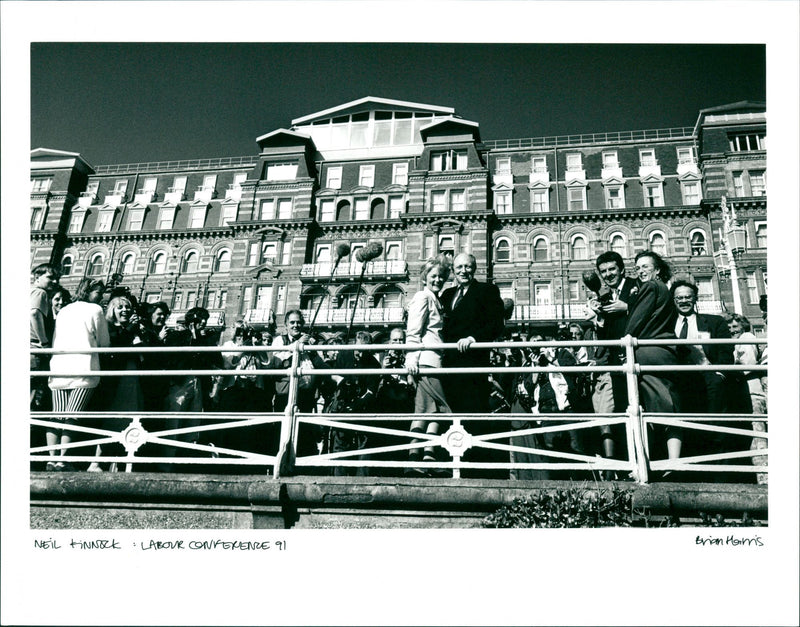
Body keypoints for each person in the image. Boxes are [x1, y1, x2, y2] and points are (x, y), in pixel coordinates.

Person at [440, 252, 505, 475]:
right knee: (451, 414)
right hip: (448, 364)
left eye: (467, 266)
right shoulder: (446, 294)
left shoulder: (487, 290)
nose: (463, 271)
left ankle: (475, 470)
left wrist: (473, 339)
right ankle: (453, 466)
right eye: (458, 267)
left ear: (474, 268)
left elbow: (497, 324)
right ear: (453, 270)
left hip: (472, 364)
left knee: (473, 414)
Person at [671, 280, 750, 463]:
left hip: (708, 377)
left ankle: (718, 465)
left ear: (695, 298)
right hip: (679, 378)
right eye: (679, 298)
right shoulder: (666, 324)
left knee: (714, 421)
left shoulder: (715, 322)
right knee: (685, 424)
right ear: (673, 300)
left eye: (688, 297)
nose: (683, 301)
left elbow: (725, 353)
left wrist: (718, 375)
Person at [625, 251, 682, 467]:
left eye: (645, 267)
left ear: (657, 269)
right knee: (671, 404)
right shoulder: (666, 291)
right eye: (638, 268)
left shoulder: (650, 287)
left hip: (648, 352)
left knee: (642, 409)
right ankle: (673, 462)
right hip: (667, 352)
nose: (640, 271)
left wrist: (625, 338)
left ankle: (644, 464)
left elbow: (636, 320)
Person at [46, 278, 109, 471]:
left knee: (57, 414)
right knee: (73, 414)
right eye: (98, 292)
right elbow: (104, 342)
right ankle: (63, 459)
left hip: (59, 366)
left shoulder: (64, 310)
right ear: (89, 291)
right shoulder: (95, 310)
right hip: (84, 367)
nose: (101, 296)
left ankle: (50, 458)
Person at [587, 251, 637, 465]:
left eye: (612, 270)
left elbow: (653, 310)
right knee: (623, 409)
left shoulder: (637, 286)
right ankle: (627, 462)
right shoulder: (605, 297)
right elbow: (607, 335)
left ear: (622, 269)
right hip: (617, 363)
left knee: (640, 408)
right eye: (604, 271)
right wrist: (599, 318)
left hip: (638, 357)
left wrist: (628, 307)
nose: (608, 275)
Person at [90, 294, 149, 471]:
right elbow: (116, 345)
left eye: (128, 307)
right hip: (114, 381)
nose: (125, 310)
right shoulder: (109, 328)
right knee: (109, 419)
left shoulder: (134, 328)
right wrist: (131, 328)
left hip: (131, 379)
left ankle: (121, 462)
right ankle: (96, 461)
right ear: (112, 310)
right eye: (120, 307)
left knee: (129, 420)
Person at [405, 259, 452, 475]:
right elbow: (413, 330)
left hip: (435, 359)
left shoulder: (436, 299)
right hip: (426, 360)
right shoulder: (422, 297)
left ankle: (421, 456)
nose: (438, 280)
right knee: (442, 410)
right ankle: (420, 455)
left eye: (441, 276)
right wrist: (411, 359)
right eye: (433, 275)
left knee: (426, 410)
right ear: (425, 276)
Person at [160, 307, 223, 468]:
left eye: (205, 319)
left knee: (192, 424)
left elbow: (213, 359)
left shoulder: (205, 340)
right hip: (180, 383)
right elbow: (177, 357)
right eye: (201, 318)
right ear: (192, 320)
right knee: (175, 421)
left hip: (197, 382)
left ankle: (184, 462)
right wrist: (192, 337)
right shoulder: (177, 336)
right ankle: (167, 464)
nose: (204, 322)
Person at [271, 310, 329, 459]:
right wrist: (297, 345)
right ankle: (281, 461)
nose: (296, 325)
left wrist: (314, 349)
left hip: (306, 395)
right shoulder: (280, 340)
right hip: (286, 393)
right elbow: (277, 363)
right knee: (283, 429)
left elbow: (320, 366)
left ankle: (302, 463)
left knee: (304, 430)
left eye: (298, 322)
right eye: (292, 322)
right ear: (286, 325)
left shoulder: (308, 341)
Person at [325, 330, 382, 476]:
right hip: (343, 401)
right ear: (354, 344)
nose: (361, 355)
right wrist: (341, 381)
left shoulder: (374, 364)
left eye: (365, 351)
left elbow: (371, 391)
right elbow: (334, 374)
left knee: (364, 444)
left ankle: (362, 480)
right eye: (358, 350)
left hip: (363, 405)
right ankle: (339, 478)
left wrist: (358, 404)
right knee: (340, 442)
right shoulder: (344, 354)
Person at [728, 313, 767, 484]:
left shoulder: (747, 337)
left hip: (751, 390)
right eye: (729, 327)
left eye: (735, 326)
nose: (732, 330)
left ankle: (764, 476)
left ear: (743, 326)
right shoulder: (736, 340)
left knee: (757, 432)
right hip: (743, 390)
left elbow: (747, 364)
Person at [31, 263, 60, 411]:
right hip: (35, 349)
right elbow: (34, 314)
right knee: (32, 394)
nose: (55, 281)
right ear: (37, 277)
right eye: (50, 277)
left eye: (57, 278)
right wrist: (44, 342)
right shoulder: (40, 293)